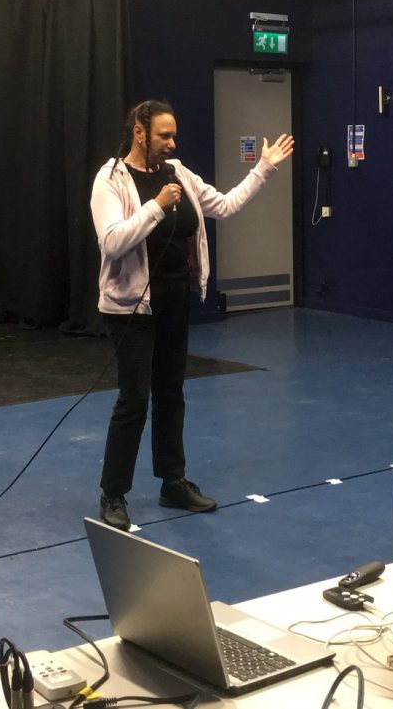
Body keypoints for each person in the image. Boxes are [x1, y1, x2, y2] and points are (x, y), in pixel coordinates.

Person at [90, 99, 294, 531]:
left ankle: (172, 482)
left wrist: (264, 169)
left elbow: (225, 206)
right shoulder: (111, 179)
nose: (172, 142)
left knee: (171, 393)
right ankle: (113, 494)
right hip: (130, 309)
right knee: (134, 399)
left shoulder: (179, 173)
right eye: (164, 135)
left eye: (173, 135)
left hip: (174, 300)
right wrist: (157, 206)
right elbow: (111, 242)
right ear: (139, 133)